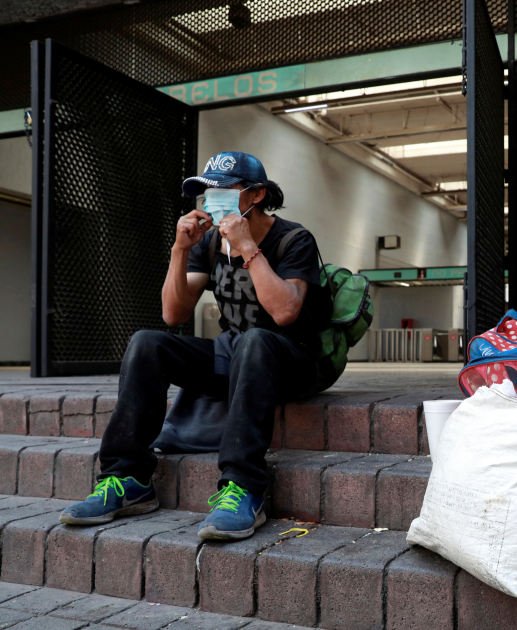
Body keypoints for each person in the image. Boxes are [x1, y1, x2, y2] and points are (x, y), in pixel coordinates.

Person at [59, 152, 328, 541]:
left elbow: (285, 312)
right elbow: (174, 314)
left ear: (257, 195)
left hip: (291, 362)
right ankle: (127, 478)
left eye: (224, 190)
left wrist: (248, 247)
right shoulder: (211, 243)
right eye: (206, 192)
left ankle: (244, 488)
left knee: (255, 340)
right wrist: (180, 249)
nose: (211, 199)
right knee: (147, 343)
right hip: (233, 356)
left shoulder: (293, 239)